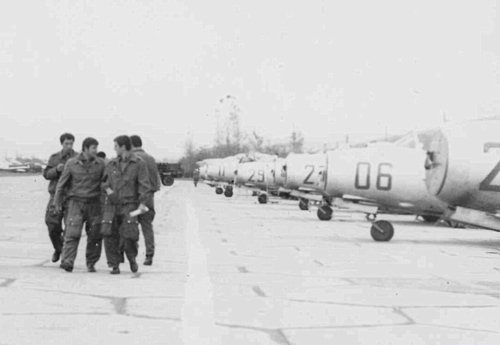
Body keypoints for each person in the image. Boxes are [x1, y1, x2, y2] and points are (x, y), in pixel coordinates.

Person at [53, 138, 106, 272]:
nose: (96, 151)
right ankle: (68, 261)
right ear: (85, 148)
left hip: (94, 204)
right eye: (94, 148)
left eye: (96, 148)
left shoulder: (101, 164)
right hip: (76, 203)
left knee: (95, 235)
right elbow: (61, 185)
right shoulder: (71, 163)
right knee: (72, 233)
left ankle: (91, 262)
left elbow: (106, 183)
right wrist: (56, 202)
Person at [102, 135, 150, 274]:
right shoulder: (111, 164)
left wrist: (143, 203)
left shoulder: (139, 164)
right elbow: (103, 181)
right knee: (109, 235)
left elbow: (144, 185)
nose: (114, 149)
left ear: (123, 147)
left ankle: (131, 258)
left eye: (116, 146)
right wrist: (108, 190)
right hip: (112, 205)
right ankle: (114, 264)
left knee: (130, 235)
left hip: (130, 205)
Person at [42, 133, 77, 263]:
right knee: (52, 225)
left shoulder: (78, 158)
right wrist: (56, 170)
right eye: (66, 143)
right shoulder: (55, 158)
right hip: (56, 197)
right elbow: (46, 174)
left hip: (71, 197)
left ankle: (66, 257)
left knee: (70, 228)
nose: (69, 146)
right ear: (61, 144)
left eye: (71, 143)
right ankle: (59, 248)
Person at [130, 135, 161, 266]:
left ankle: (133, 251)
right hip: (148, 198)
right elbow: (156, 182)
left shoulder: (132, 159)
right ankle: (149, 255)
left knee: (131, 225)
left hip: (134, 198)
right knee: (147, 227)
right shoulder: (151, 159)